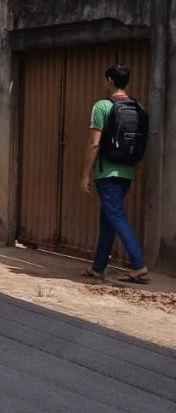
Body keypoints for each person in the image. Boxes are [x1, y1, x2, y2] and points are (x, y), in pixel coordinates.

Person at [81, 64, 149, 284]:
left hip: (106, 171)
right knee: (109, 218)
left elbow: (94, 144)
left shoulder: (102, 106)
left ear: (109, 80)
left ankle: (139, 265)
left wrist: (85, 174)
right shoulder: (138, 107)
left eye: (105, 79)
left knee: (116, 216)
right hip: (127, 170)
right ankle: (98, 268)